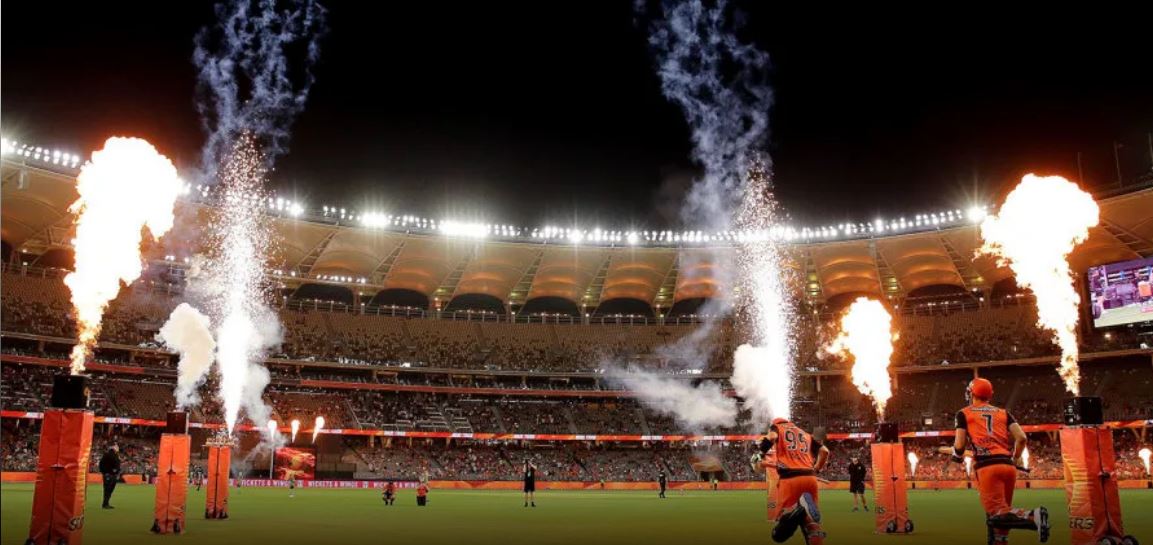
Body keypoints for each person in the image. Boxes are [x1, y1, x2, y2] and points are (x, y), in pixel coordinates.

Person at [950, 378, 1050, 545]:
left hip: (987, 467)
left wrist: (957, 456)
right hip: (1008, 466)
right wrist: (1015, 457)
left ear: (972, 393)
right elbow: (1022, 438)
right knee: (1004, 515)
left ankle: (1034, 516)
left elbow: (959, 445)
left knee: (997, 515)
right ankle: (1000, 540)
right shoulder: (1003, 413)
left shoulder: (964, 413)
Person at [760, 417, 829, 545]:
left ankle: (800, 509)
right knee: (812, 525)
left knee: (779, 534)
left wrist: (760, 453)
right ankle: (804, 510)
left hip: (790, 479)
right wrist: (817, 469)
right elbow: (825, 451)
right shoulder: (805, 434)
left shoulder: (777, 427)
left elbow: (771, 437)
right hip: (810, 478)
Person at [99, 444, 121, 509]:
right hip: (112, 474)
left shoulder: (106, 455)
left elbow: (101, 464)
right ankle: (105, 504)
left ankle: (105, 503)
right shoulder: (115, 455)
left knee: (107, 489)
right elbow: (117, 465)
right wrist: (116, 471)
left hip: (106, 474)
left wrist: (103, 472)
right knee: (109, 490)